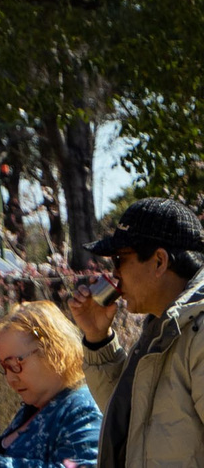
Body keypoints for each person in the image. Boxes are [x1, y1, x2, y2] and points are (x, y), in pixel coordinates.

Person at [66, 197, 204, 468]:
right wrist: (97, 337)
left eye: (119, 260)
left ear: (159, 261)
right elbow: (131, 422)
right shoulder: (161, 329)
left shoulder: (198, 332)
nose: (114, 275)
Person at [0, 301, 101, 468]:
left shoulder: (83, 409)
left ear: (53, 352)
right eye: (3, 367)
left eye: (15, 364)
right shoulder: (33, 409)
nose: (10, 378)